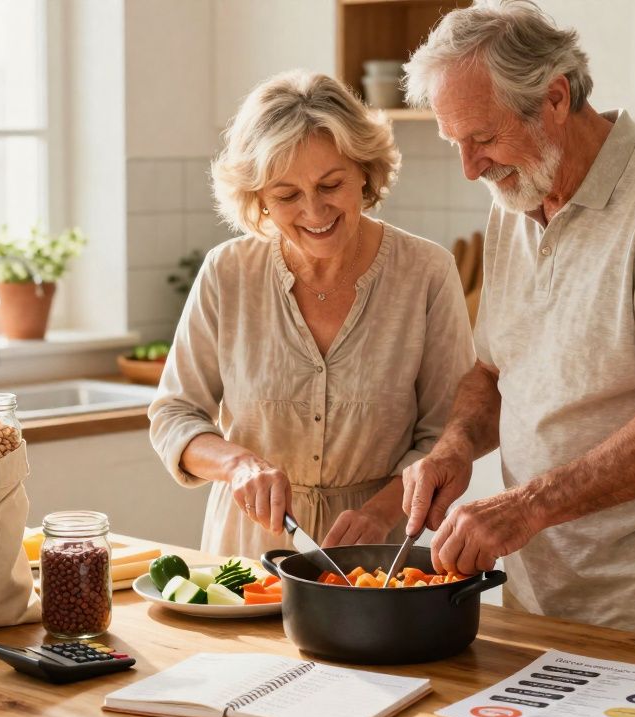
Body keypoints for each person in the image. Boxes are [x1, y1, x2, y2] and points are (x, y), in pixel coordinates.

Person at [398, 0, 635, 651]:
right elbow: (493, 370)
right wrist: (456, 443)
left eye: (482, 138)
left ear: (555, 98)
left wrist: (526, 507)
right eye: (453, 143)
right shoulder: (512, 203)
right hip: (540, 596)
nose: (470, 167)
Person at [149, 70, 475, 560]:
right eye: (286, 195)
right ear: (258, 198)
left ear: (364, 171)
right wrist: (236, 464)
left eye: (330, 184)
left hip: (370, 557)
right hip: (245, 556)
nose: (314, 211)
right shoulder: (228, 272)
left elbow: (445, 435)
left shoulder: (426, 272)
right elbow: (174, 415)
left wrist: (382, 512)